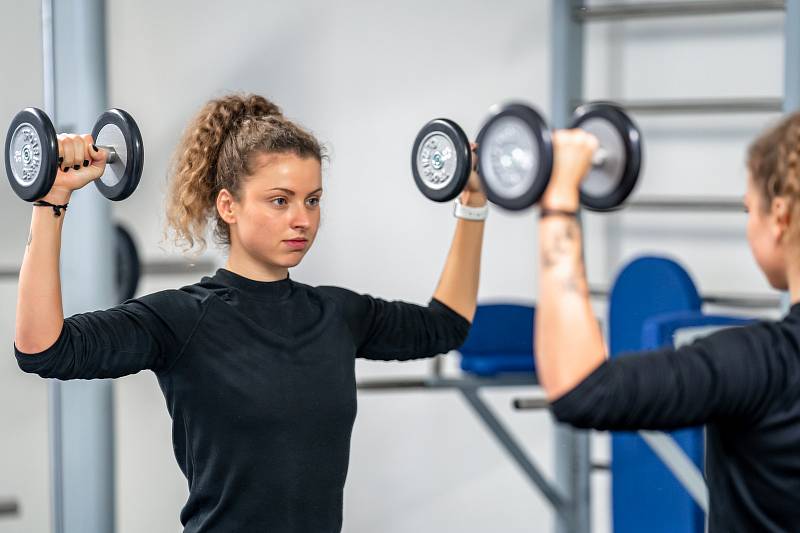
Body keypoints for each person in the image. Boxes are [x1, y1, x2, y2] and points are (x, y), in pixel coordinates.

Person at [14, 93, 487, 532]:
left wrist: (474, 201)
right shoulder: (183, 319)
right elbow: (44, 349)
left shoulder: (338, 314)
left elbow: (444, 325)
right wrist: (51, 200)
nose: (301, 218)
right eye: (279, 201)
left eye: (312, 200)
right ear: (229, 206)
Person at [534, 112, 800, 532]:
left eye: (750, 210)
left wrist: (558, 202)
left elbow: (578, 387)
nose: (750, 224)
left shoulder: (765, 364)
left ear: (780, 217)